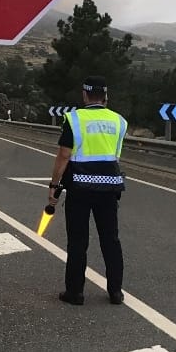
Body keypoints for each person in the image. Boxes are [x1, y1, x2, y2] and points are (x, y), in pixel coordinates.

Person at [46, 75, 128, 306]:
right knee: (110, 239)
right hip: (109, 188)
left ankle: (75, 293)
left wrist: (54, 186)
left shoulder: (73, 119)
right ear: (106, 96)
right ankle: (115, 292)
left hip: (80, 188)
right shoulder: (119, 121)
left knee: (78, 241)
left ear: (84, 95)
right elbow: (116, 155)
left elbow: (64, 155)